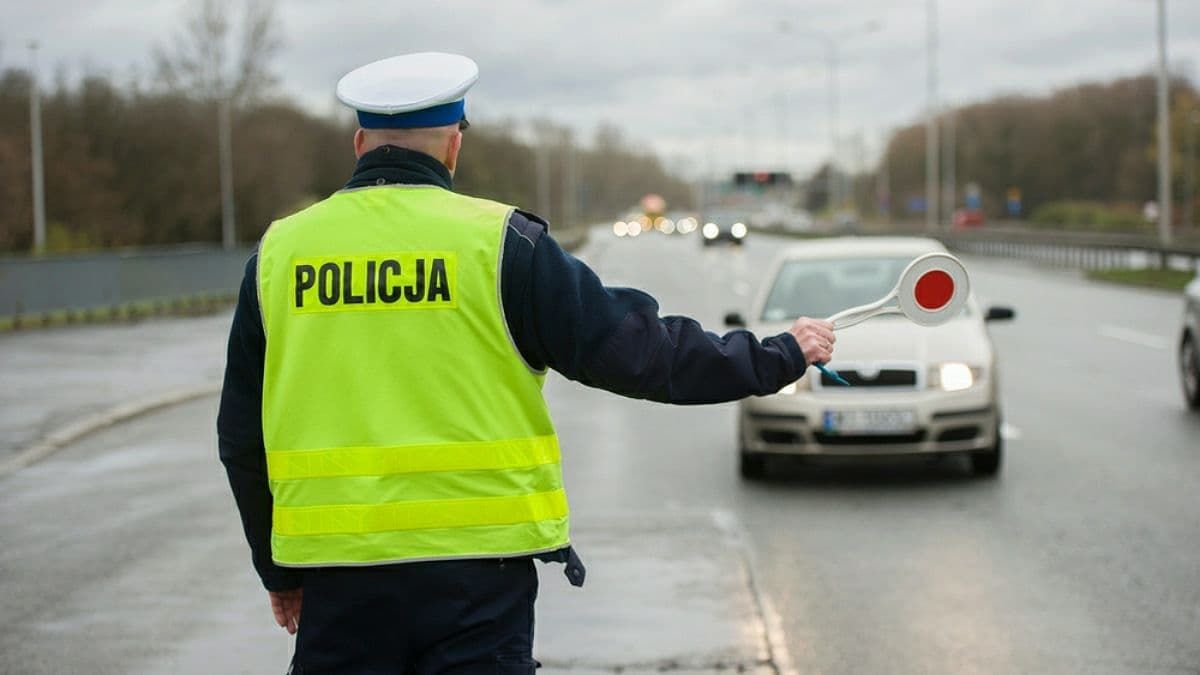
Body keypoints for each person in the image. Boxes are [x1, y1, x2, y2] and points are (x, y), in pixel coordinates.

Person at [217, 52, 835, 673]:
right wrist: (778, 355)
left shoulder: (279, 254)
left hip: (337, 581)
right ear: (453, 144)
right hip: (478, 582)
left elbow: (241, 434)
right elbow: (642, 354)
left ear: (359, 143)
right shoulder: (502, 243)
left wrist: (278, 570)